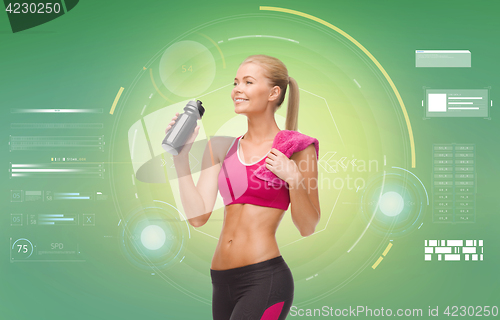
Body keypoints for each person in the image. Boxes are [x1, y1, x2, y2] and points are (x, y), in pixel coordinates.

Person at [165, 54, 320, 320]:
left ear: (274, 93)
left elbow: (307, 226)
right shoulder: (221, 147)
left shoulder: (296, 150)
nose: (237, 89)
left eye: (248, 82)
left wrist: (294, 179)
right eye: (236, 82)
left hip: (265, 278)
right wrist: (180, 157)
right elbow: (198, 216)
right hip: (221, 282)